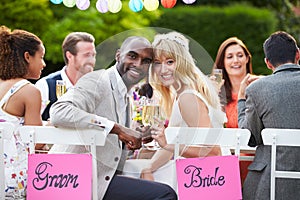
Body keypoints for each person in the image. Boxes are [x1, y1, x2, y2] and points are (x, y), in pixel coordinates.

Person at [49, 36, 178, 200]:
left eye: (146, 61)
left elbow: (114, 147)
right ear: (118, 56)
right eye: (132, 56)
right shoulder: (97, 80)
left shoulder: (126, 94)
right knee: (165, 194)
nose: (138, 64)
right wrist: (117, 128)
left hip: (100, 179)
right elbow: (59, 111)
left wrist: (136, 137)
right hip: (70, 180)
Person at [140, 31, 226, 181]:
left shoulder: (188, 97)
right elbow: (173, 145)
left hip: (203, 179)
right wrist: (149, 167)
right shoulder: (184, 93)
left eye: (170, 62)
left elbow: (212, 151)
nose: (163, 69)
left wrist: (167, 145)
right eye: (157, 63)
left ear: (182, 62)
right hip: (197, 176)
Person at [238, 31, 300, 199]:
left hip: (269, 186)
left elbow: (249, 138)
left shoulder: (257, 89)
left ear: (267, 63)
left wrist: (241, 101)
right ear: (298, 54)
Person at [0, 25, 46, 198]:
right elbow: (38, 142)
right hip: (16, 179)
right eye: (41, 57)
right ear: (28, 56)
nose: (44, 64)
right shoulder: (29, 91)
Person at [212, 37, 254, 185]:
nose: (235, 60)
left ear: (247, 59)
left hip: (254, 166)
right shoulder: (216, 96)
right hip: (224, 169)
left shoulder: (259, 89)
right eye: (229, 57)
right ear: (223, 63)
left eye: (240, 55)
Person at [35, 32, 96, 121]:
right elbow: (32, 126)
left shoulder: (97, 87)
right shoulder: (45, 85)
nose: (92, 60)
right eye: (86, 55)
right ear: (69, 56)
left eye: (93, 55)